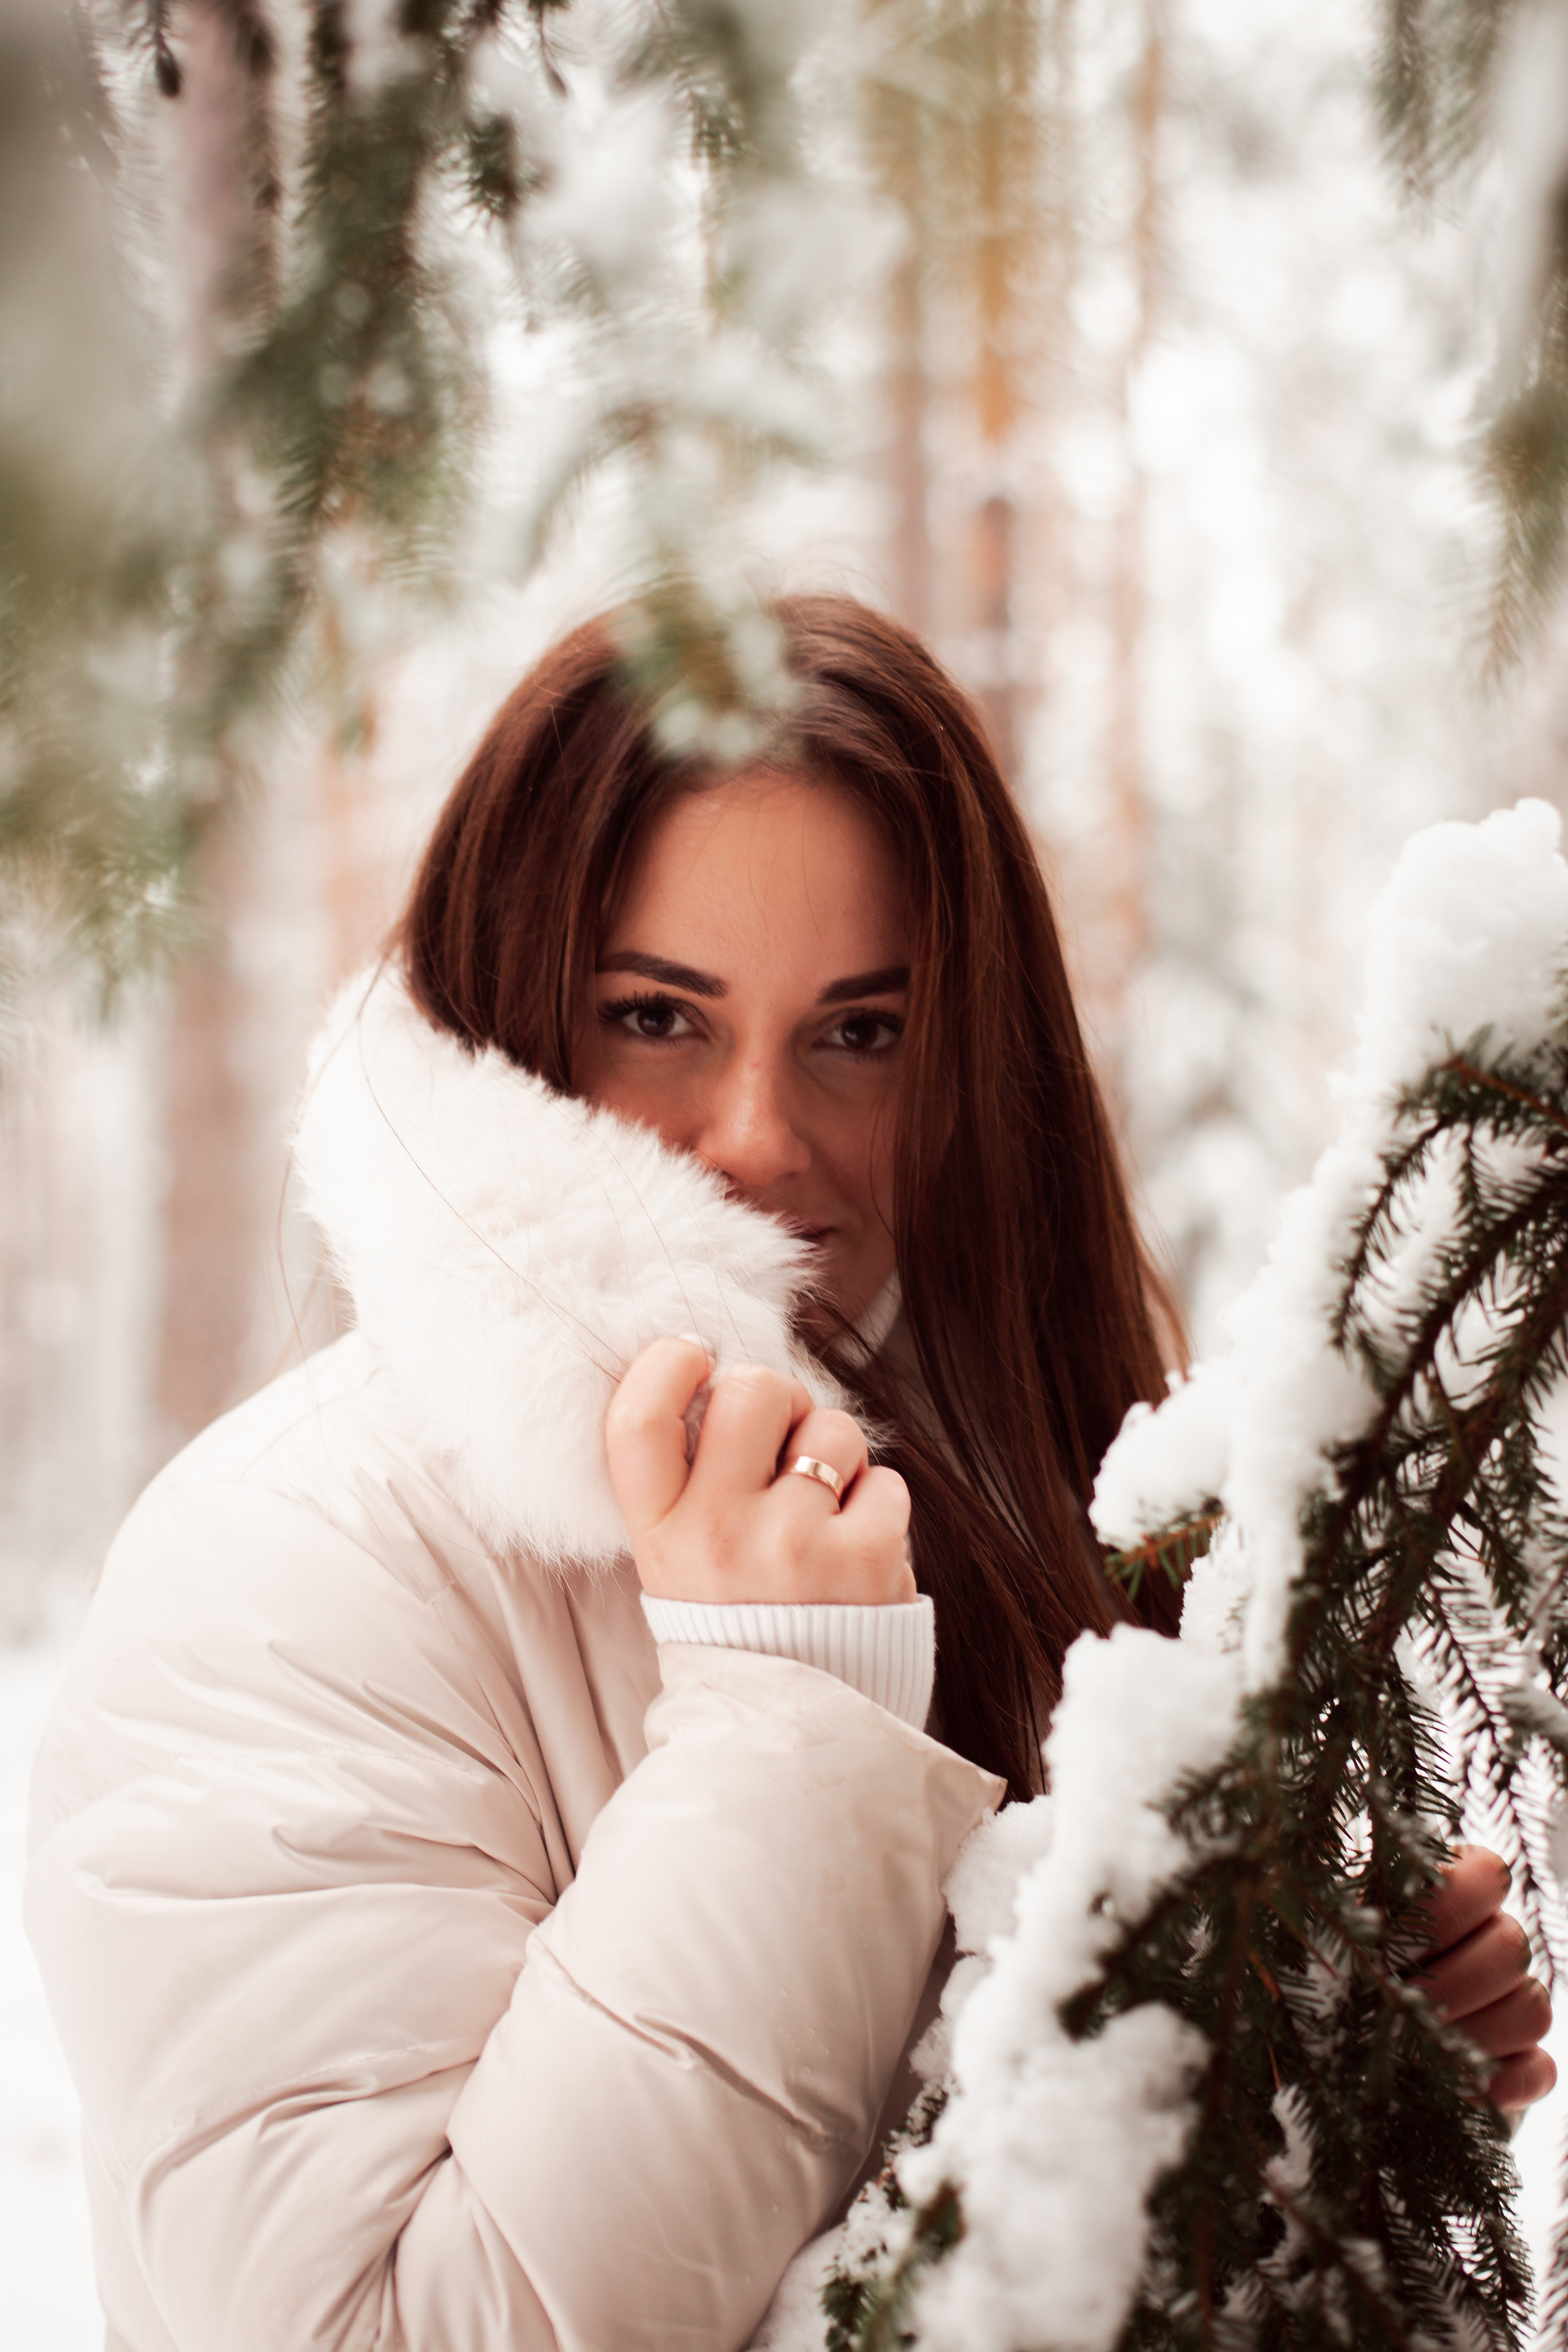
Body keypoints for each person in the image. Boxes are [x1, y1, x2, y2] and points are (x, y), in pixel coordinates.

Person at [26, 595, 1553, 2352]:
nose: (760, 1136)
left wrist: (1300, 2093)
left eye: (863, 1032)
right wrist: (787, 1722)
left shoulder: (1022, 1482)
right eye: (659, 1016)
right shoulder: (285, 1570)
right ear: (517, 1012)